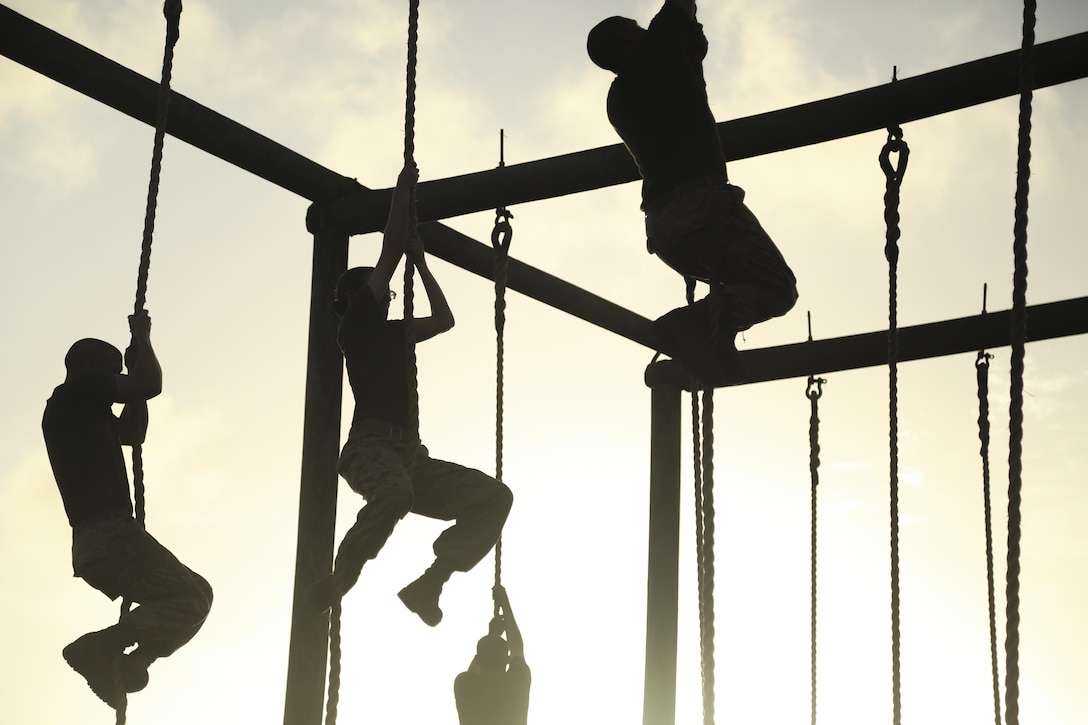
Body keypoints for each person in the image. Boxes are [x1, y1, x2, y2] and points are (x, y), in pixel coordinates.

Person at [312, 163, 513, 627]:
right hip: (371, 449)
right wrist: (404, 189)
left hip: (409, 456)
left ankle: (433, 580)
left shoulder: (394, 332)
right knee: (397, 494)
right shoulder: (357, 326)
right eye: (375, 287)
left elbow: (443, 320)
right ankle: (341, 578)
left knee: (494, 497)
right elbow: (391, 248)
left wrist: (422, 264)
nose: (382, 292)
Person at [587, 0, 799, 383]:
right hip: (703, 209)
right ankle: (690, 324)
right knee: (778, 288)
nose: (645, 31)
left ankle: (713, 337)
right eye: (637, 28)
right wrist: (683, 32)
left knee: (737, 285)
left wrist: (691, 48)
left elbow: (683, 83)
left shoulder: (619, 99)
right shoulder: (654, 55)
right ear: (625, 39)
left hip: (664, 230)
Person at [42, 311, 213, 709]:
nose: (114, 380)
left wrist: (133, 377)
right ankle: (99, 647)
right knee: (192, 598)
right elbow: (147, 385)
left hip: (99, 541)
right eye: (111, 372)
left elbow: (132, 433)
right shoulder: (75, 393)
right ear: (89, 369)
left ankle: (134, 658)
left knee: (196, 592)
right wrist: (143, 338)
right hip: (110, 533)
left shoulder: (80, 411)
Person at [454, 585, 531, 725]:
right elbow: (517, 648)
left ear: (477, 659)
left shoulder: (463, 684)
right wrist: (504, 601)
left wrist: (492, 635)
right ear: (507, 660)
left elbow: (471, 673)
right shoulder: (517, 683)